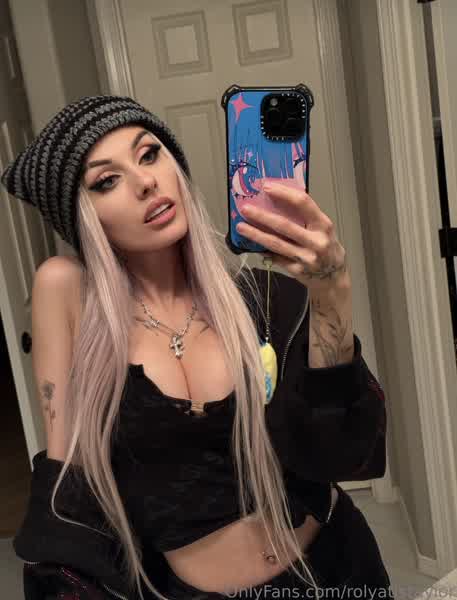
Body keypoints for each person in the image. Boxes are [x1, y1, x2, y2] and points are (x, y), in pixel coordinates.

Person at [1, 95, 392, 600]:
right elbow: (66, 487)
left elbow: (346, 455)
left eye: (149, 154)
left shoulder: (265, 298)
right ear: (81, 218)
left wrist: (331, 288)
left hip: (337, 570)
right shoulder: (71, 298)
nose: (146, 182)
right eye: (107, 180)